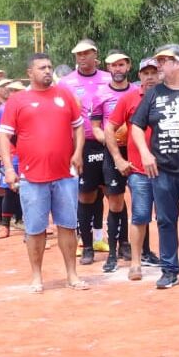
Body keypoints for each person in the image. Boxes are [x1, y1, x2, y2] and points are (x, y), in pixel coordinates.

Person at [0, 53, 87, 294]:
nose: (47, 71)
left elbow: (79, 128)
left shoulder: (65, 95)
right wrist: (8, 168)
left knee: (68, 226)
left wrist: (78, 153)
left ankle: (72, 274)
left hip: (65, 174)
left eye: (49, 67)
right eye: (41, 68)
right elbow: (4, 137)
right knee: (35, 229)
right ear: (30, 73)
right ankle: (36, 276)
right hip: (31, 176)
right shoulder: (18, 100)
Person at [129, 44, 179, 289]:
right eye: (159, 60)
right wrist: (145, 153)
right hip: (162, 170)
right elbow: (136, 125)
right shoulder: (154, 93)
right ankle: (169, 269)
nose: (160, 65)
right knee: (165, 220)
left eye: (165, 60)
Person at [106, 58, 162, 282]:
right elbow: (110, 128)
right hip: (139, 170)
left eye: (154, 72)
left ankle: (171, 260)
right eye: (145, 73)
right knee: (140, 216)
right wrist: (118, 159)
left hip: (168, 170)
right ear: (138, 75)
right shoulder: (129, 99)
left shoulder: (170, 97)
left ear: (161, 74)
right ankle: (136, 263)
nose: (150, 77)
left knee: (167, 218)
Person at [58, 39, 112, 264]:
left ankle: (117, 243)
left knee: (112, 192)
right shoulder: (66, 83)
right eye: (78, 54)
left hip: (111, 143)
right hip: (83, 144)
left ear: (95, 54)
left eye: (86, 53)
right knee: (86, 194)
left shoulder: (108, 78)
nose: (81, 57)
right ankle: (87, 244)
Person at [88, 49, 137, 272]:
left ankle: (141, 251)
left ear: (128, 66)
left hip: (136, 151)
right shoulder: (99, 94)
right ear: (108, 68)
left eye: (121, 65)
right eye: (113, 65)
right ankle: (112, 255)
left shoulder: (138, 91)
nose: (118, 69)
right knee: (115, 202)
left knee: (142, 201)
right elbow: (96, 128)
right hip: (112, 152)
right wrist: (110, 142)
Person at [0, 79, 25, 238]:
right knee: (9, 189)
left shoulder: (28, 107)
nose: (15, 93)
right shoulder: (2, 110)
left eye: (18, 91)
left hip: (29, 154)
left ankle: (28, 222)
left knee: (31, 189)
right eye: (12, 90)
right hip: (12, 155)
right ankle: (5, 225)